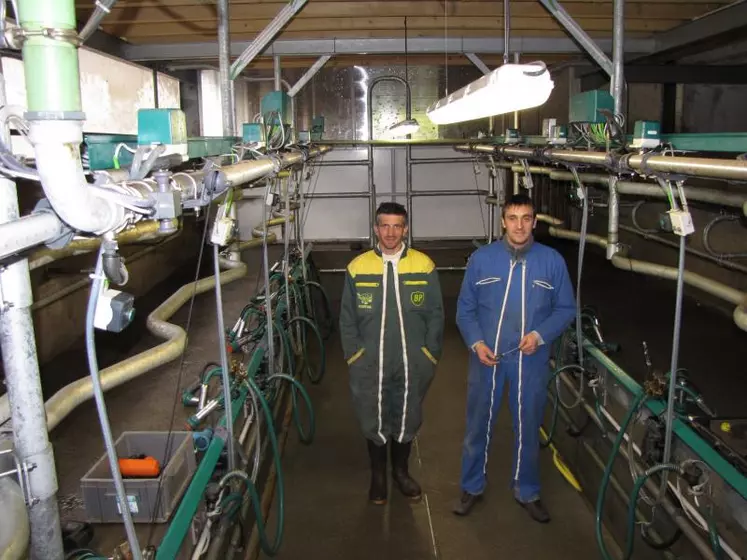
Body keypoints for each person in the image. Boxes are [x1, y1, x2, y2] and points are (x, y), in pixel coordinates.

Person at [453, 194, 575, 523]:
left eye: (526, 218)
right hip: (487, 358)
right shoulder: (482, 259)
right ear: (503, 221)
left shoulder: (552, 262)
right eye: (512, 218)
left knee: (528, 426)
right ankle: (471, 485)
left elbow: (566, 309)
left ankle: (528, 489)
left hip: (530, 360)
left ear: (535, 222)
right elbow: (465, 310)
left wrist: (539, 336)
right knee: (478, 424)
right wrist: (476, 343)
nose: (519, 225)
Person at [339, 202, 444, 505]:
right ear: (375, 229)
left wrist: (429, 354)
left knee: (407, 415)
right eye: (384, 225)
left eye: (397, 226)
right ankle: (378, 476)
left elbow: (436, 314)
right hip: (370, 362)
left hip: (413, 361)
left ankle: (400, 472)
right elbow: (346, 319)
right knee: (373, 416)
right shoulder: (358, 268)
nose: (390, 232)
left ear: (406, 229)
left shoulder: (423, 265)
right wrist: (355, 357)